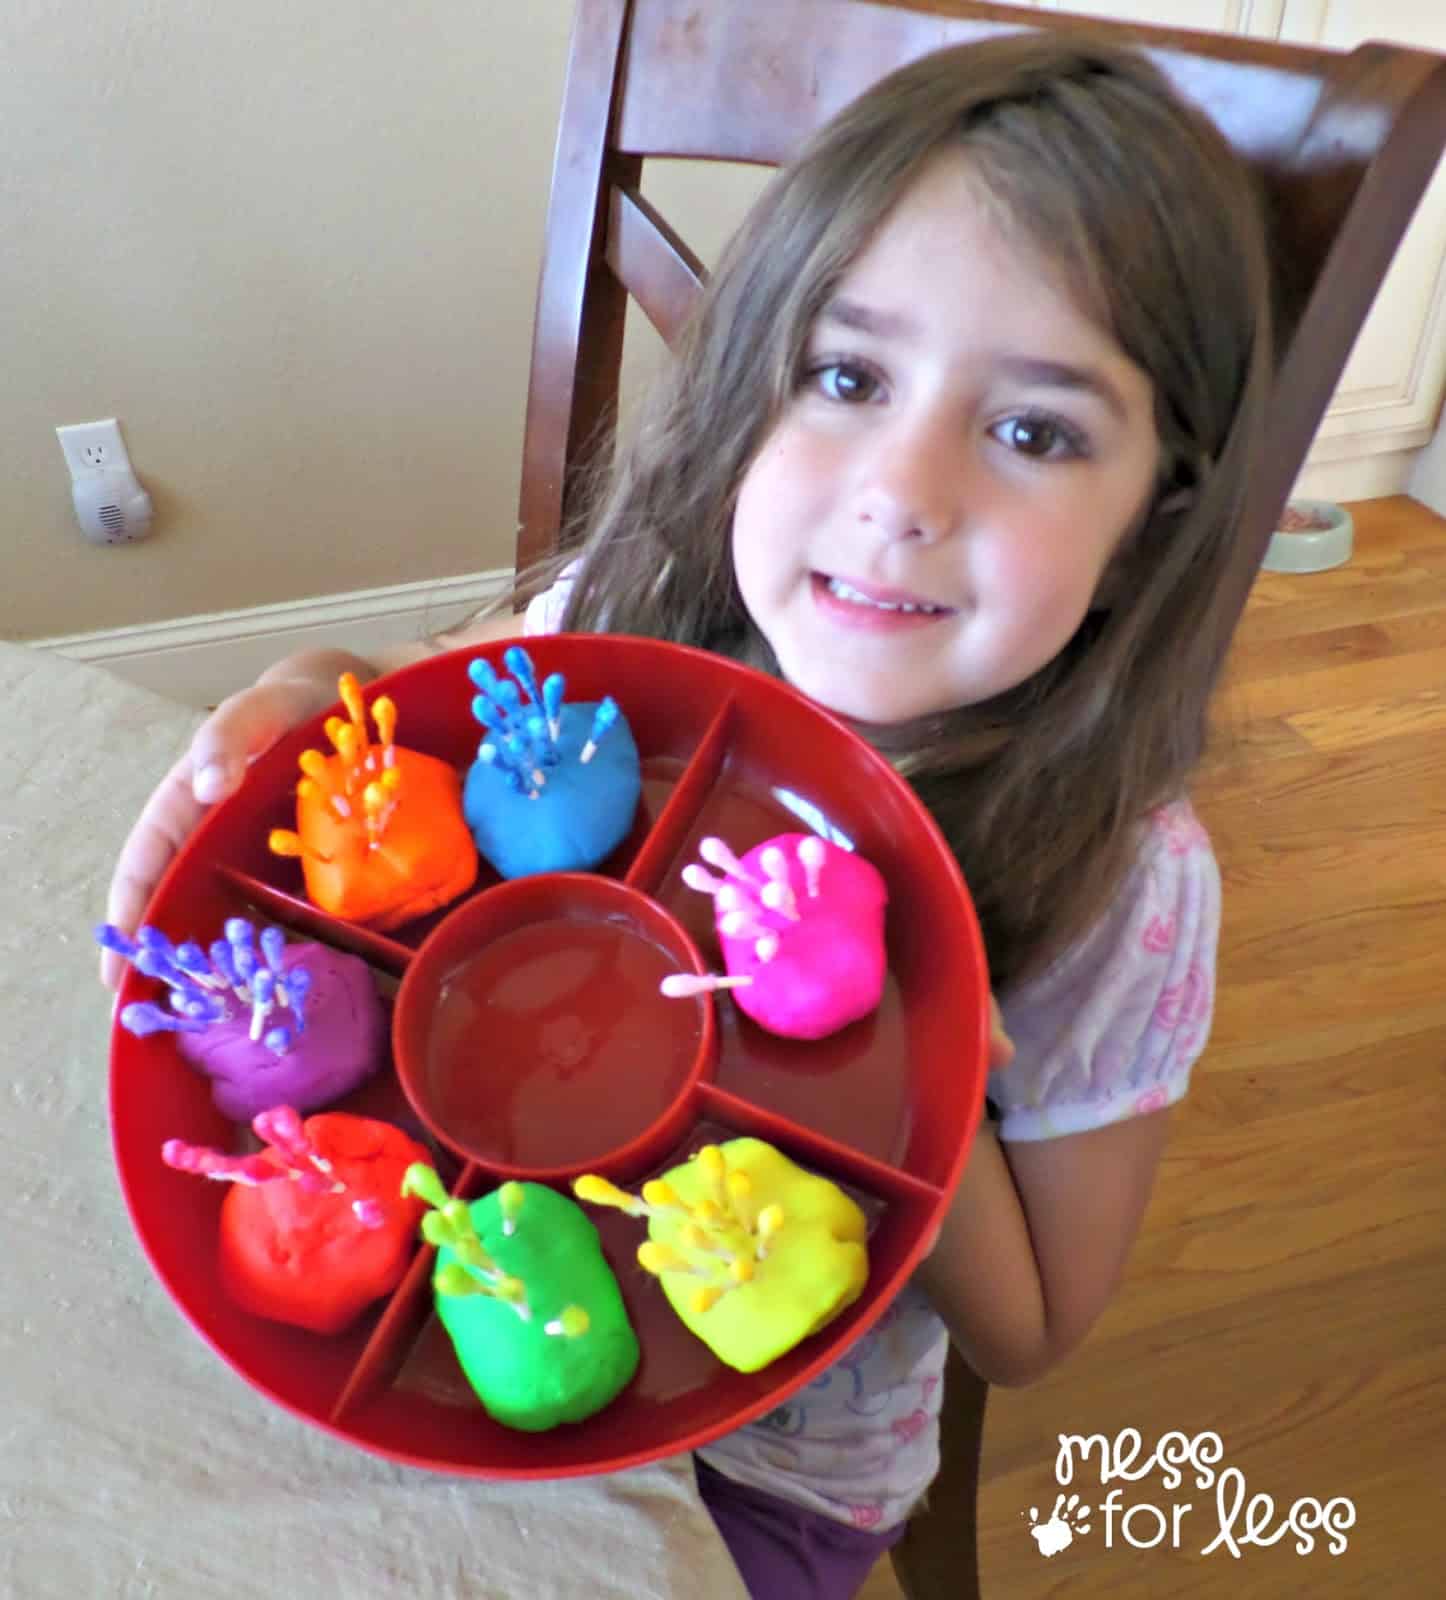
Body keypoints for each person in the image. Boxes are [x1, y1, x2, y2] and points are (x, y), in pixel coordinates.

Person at [101, 32, 1273, 1600]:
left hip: (771, 1474)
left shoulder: (1127, 879)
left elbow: (1035, 1330)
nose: (900, 490)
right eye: (846, 378)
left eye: (1035, 430)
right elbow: (427, 738)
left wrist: (913, 1050)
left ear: (1150, 526)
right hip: (420, 1352)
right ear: (744, 387)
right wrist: (322, 679)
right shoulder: (623, 627)